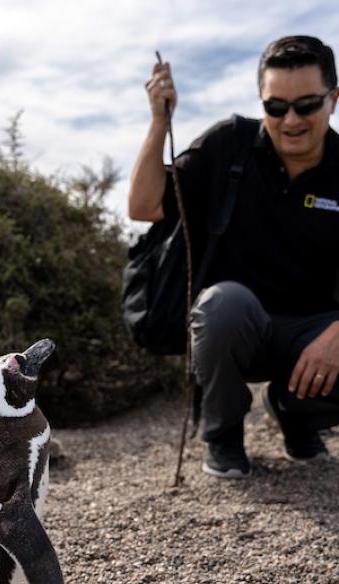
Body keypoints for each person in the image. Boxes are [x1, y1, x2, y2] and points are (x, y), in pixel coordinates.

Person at [128, 35, 339, 478]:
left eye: (307, 105)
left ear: (333, 99)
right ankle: (222, 434)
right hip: (233, 328)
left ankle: (297, 413)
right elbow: (144, 207)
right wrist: (158, 123)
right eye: (276, 107)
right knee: (224, 304)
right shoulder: (229, 143)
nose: (291, 120)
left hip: (313, 332)